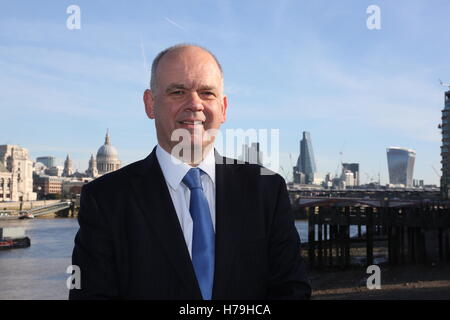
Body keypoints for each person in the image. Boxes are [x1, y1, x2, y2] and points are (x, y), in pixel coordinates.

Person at [69, 44, 311, 300]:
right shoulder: (105, 198)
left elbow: (291, 290)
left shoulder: (267, 189)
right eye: (178, 91)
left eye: (207, 93)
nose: (195, 104)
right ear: (150, 104)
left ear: (224, 108)